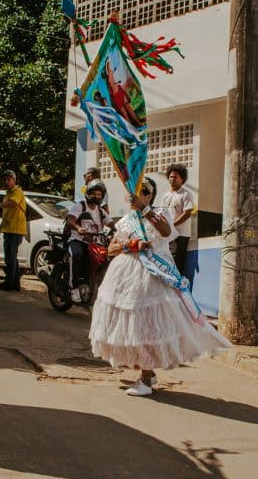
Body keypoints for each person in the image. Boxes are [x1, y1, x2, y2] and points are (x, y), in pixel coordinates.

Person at [90, 179, 229, 397]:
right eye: (134, 192)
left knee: (146, 325)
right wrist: (131, 245)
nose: (136, 195)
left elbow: (165, 231)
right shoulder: (126, 221)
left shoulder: (159, 214)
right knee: (132, 325)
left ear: (149, 196)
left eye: (143, 192)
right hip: (126, 276)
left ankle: (145, 379)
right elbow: (111, 249)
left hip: (154, 277)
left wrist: (144, 210)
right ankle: (147, 371)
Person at [65, 180, 110, 301]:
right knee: (76, 254)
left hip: (94, 243)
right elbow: (70, 220)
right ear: (89, 193)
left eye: (99, 194)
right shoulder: (80, 205)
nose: (97, 196)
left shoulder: (101, 211)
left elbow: (111, 223)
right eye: (95, 193)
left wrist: (122, 229)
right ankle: (73, 288)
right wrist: (78, 228)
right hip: (77, 240)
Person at [0, 169, 27, 291]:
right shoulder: (7, 193)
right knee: (11, 256)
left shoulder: (17, 191)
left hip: (16, 229)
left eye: (9, 179)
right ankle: (15, 283)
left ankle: (9, 282)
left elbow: (12, 204)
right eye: (5, 179)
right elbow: (6, 214)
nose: (6, 181)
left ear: (14, 180)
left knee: (10, 257)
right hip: (8, 229)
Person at [160, 164, 195, 275]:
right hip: (167, 235)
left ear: (182, 179)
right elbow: (161, 214)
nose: (172, 179)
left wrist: (172, 224)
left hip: (180, 235)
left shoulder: (185, 194)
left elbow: (187, 212)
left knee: (176, 264)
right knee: (166, 263)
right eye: (171, 176)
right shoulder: (165, 195)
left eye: (175, 177)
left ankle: (177, 290)